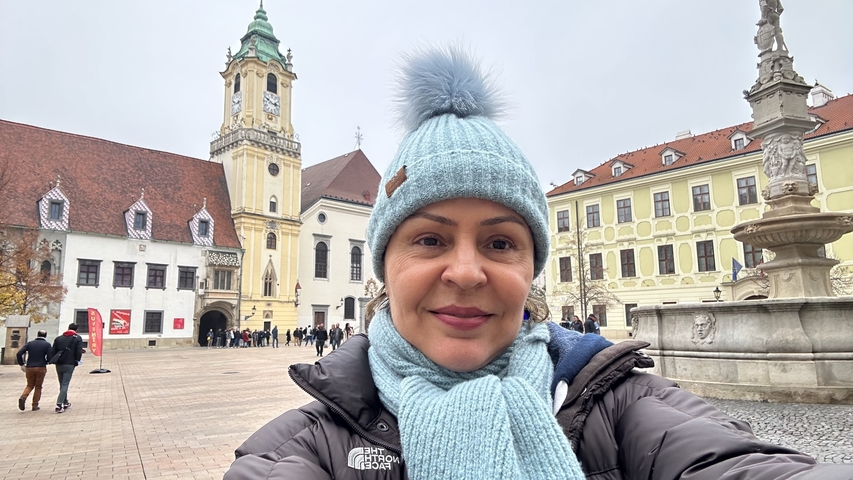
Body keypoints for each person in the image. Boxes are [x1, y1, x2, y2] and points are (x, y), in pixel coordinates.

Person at [225, 46, 850, 479]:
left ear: (532, 266)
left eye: (500, 243)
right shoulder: (302, 449)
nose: (466, 272)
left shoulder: (620, 408)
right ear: (384, 265)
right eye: (430, 240)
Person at [51, 323, 84, 414]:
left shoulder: (58, 338)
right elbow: (78, 351)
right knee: (65, 384)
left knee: (61, 383)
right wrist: (77, 360)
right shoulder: (77, 338)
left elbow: (53, 351)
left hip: (59, 363)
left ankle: (65, 402)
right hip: (69, 363)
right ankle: (59, 404)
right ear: (76, 330)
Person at [16, 329, 51, 411]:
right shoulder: (47, 345)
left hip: (30, 367)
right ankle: (34, 405)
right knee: (38, 387)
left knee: (30, 385)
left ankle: (23, 397)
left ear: (37, 334)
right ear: (45, 336)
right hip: (41, 367)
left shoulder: (30, 344)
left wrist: (21, 364)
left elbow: (19, 354)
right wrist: (47, 361)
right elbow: (50, 357)